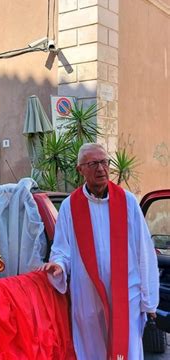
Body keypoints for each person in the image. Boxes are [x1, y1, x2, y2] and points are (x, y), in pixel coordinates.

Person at [41, 143, 159, 359]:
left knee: (128, 350)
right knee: (92, 350)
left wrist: (148, 299)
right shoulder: (70, 206)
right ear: (80, 170)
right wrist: (57, 265)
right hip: (88, 296)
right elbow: (62, 248)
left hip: (126, 294)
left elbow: (144, 250)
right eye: (93, 163)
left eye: (104, 162)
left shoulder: (128, 202)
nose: (101, 169)